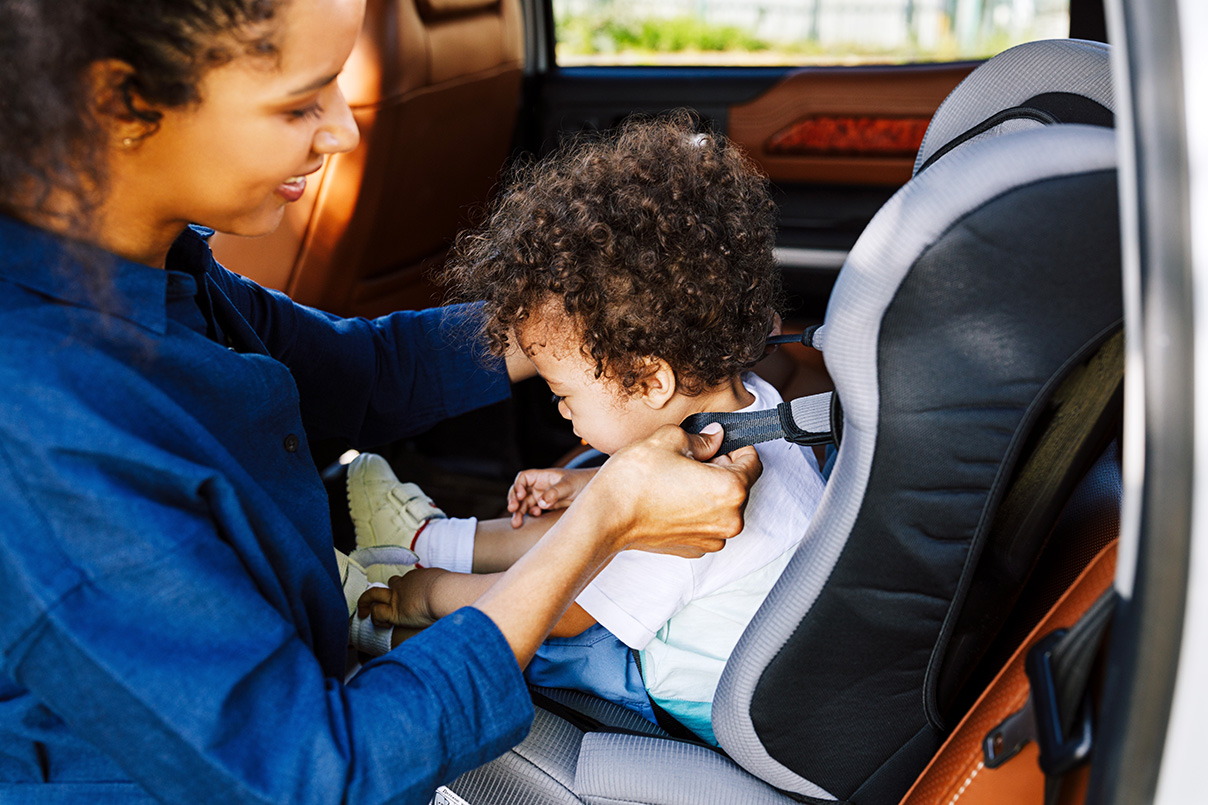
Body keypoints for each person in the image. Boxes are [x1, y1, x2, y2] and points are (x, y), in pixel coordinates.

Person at [0, 2, 762, 803]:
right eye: (301, 101)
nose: (343, 132)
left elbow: (355, 372)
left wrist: (584, 322)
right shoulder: (38, 422)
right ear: (121, 103)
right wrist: (604, 518)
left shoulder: (159, 268)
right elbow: (321, 774)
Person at [353, 116, 826, 744]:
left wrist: (433, 594)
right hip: (765, 647)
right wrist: (594, 490)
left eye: (563, 393)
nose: (560, 411)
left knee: (538, 633)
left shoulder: (701, 518)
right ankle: (429, 538)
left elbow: (562, 613)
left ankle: (390, 600)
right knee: (586, 517)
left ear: (650, 380)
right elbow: (599, 529)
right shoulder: (755, 406)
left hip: (690, 688)